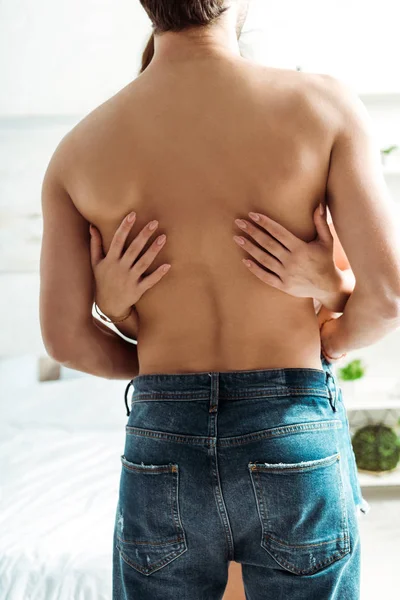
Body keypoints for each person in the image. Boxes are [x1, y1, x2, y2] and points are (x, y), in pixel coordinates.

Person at [39, 1, 400, 598]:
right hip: (291, 424)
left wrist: (152, 358)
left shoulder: (78, 151)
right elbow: (387, 298)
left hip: (163, 435)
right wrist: (325, 340)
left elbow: (66, 341)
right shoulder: (324, 107)